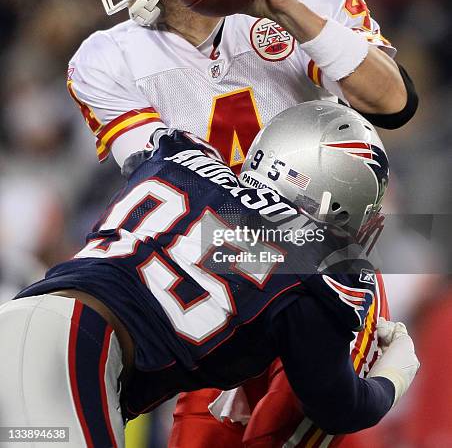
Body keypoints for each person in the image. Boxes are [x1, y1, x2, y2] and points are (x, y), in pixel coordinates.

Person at [66, 0, 418, 447]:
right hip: (217, 294)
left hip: (323, 277)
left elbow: (393, 103)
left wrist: (286, 10)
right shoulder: (105, 58)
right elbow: (175, 183)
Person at [0, 103, 419, 448]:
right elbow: (337, 405)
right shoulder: (312, 272)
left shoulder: (180, 155)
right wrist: (393, 377)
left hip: (26, 321)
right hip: (76, 349)